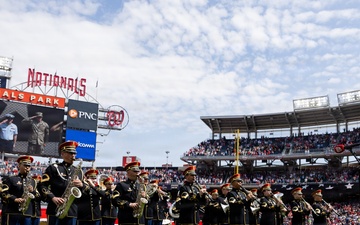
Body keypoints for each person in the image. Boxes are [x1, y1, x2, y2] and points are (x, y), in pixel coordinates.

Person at [38, 140, 84, 225]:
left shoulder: (79, 171)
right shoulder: (53, 168)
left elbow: (85, 190)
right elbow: (42, 185)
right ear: (62, 153)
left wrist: (82, 185)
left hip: (72, 211)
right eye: (70, 153)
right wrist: (52, 197)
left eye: (74, 153)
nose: (73, 155)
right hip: (55, 208)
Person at [1, 155, 37, 225]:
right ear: (19, 165)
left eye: (29, 166)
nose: (27, 167)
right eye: (25, 165)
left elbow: (38, 196)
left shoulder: (33, 181)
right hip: (13, 212)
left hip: (27, 213)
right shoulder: (11, 179)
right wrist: (14, 199)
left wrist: (33, 191)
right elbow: (3, 192)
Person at [112, 161, 148, 225]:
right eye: (135, 171)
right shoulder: (121, 185)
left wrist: (145, 196)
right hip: (127, 219)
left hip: (140, 220)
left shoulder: (141, 185)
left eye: (138, 171)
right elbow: (114, 200)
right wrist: (129, 204)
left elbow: (148, 201)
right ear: (128, 172)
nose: (137, 173)